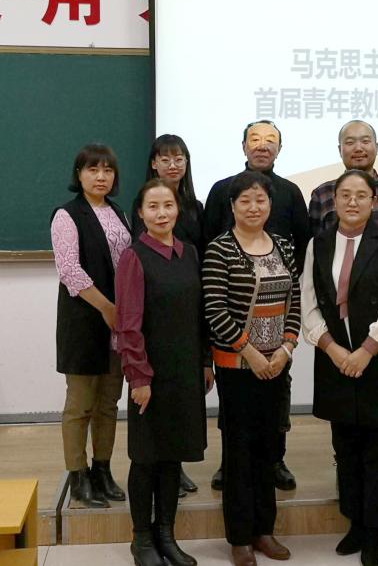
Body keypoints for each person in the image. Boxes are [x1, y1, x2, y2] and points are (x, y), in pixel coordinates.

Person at [301, 169, 378, 566]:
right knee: (345, 447)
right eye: (345, 195)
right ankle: (353, 521)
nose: (352, 202)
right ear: (333, 201)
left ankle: (374, 531)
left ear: (373, 201)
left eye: (360, 195)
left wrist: (366, 350)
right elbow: (309, 302)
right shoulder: (318, 244)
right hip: (335, 361)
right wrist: (332, 349)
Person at [204, 120, 309, 492]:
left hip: (277, 325)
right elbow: (208, 243)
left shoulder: (290, 193)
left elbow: (302, 248)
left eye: (270, 140)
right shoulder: (222, 190)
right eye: (255, 139)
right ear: (243, 146)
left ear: (279, 148)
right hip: (235, 332)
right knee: (234, 410)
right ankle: (229, 463)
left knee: (277, 401)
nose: (262, 145)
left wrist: (287, 340)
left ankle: (275, 460)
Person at [203, 170, 301, 566]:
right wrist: (251, 353)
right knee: (240, 452)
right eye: (245, 200)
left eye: (260, 200)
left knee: (268, 449)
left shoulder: (283, 246)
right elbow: (214, 310)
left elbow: (294, 300)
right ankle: (240, 537)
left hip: (276, 364)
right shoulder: (220, 249)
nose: (253, 207)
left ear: (270, 204)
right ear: (232, 206)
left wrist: (287, 347)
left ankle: (264, 530)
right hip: (238, 367)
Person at [114, 179, 210, 566]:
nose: (161, 213)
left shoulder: (189, 253)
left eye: (168, 205)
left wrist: (205, 362)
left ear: (177, 209)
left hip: (185, 372)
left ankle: (166, 535)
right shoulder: (134, 257)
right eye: (152, 207)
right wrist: (138, 377)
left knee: (173, 457)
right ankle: (141, 539)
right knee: (146, 457)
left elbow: (199, 315)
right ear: (140, 213)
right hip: (150, 377)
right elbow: (128, 325)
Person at [50, 143, 130, 508]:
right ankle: (78, 476)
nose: (101, 177)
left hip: (118, 323)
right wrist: (106, 307)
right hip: (84, 320)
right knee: (80, 404)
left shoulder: (120, 213)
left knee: (109, 402)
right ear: (79, 174)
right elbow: (70, 271)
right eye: (92, 169)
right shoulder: (66, 215)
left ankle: (102, 470)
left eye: (107, 170)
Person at [134, 134, 211, 495]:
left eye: (179, 158)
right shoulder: (144, 211)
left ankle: (175, 470)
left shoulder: (196, 207)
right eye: (165, 158)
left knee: (182, 409)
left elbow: (203, 256)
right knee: (155, 418)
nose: (173, 165)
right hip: (157, 316)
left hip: (188, 309)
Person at [308, 119, 378, 235]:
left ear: (376, 147)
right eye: (350, 142)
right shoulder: (322, 194)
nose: (358, 148)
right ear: (340, 150)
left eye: (365, 141)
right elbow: (316, 243)